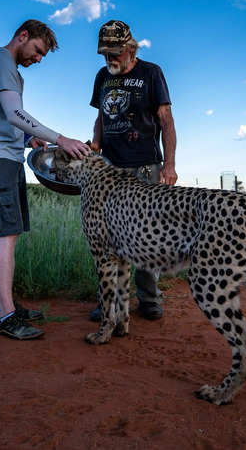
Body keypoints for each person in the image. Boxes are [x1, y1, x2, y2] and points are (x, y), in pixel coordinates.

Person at [0, 19, 90, 340]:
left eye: (43, 55)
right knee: (4, 234)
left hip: (4, 155)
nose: (39, 59)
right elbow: (14, 114)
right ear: (22, 36)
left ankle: (1, 306)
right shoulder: (1, 61)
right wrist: (62, 139)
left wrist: (25, 140)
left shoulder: (10, 71)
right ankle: (6, 316)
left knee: (2, 234)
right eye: (37, 50)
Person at [89, 19, 178, 321]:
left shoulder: (151, 73)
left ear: (130, 48)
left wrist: (169, 165)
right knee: (106, 236)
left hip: (145, 166)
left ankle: (150, 299)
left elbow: (166, 120)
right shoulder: (103, 76)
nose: (109, 59)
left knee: (144, 235)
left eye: (115, 53)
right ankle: (107, 303)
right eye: (105, 53)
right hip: (110, 169)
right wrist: (95, 146)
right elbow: (101, 117)